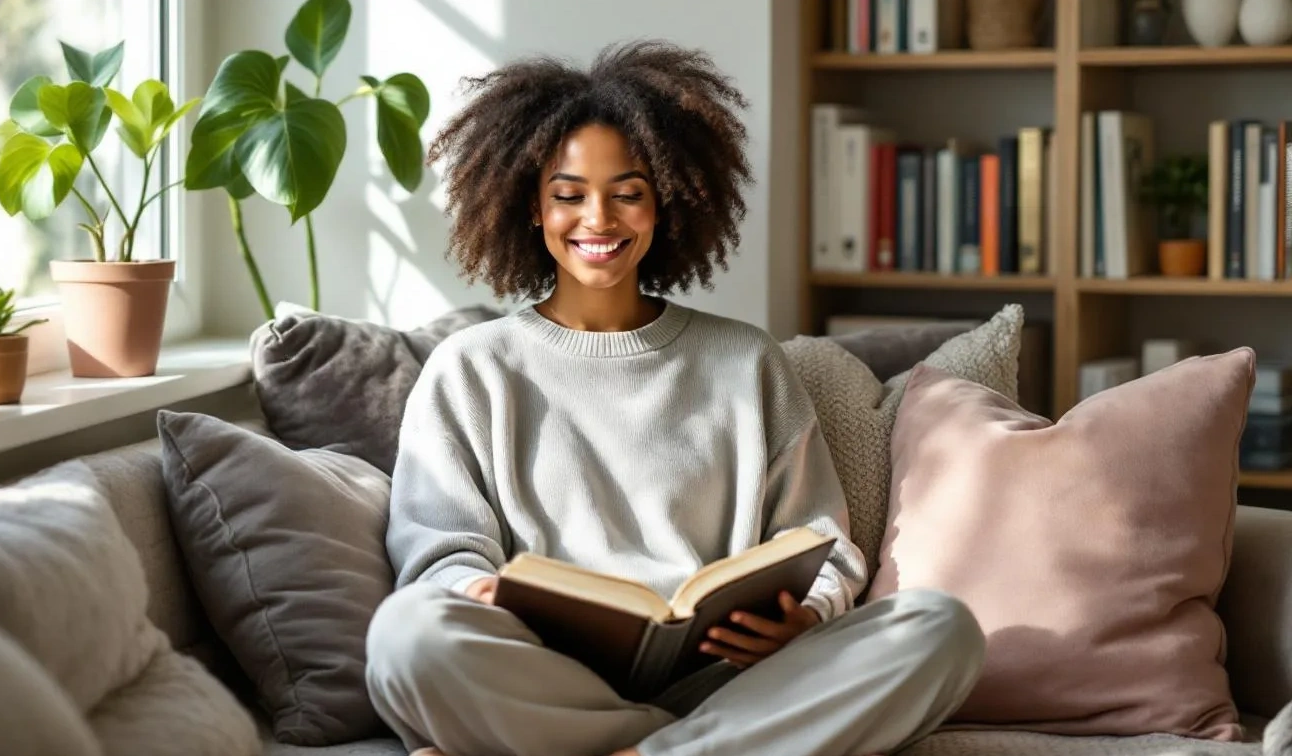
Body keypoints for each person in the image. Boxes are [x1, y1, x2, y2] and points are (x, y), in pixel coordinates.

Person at [365, 40, 985, 756]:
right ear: (531, 208)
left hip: (725, 679)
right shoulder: (471, 369)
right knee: (404, 636)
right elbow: (441, 556)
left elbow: (817, 540)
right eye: (568, 195)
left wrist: (808, 617)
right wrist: (481, 596)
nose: (597, 219)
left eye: (627, 193)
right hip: (540, 671)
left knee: (940, 629)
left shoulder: (744, 359)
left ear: (666, 201)